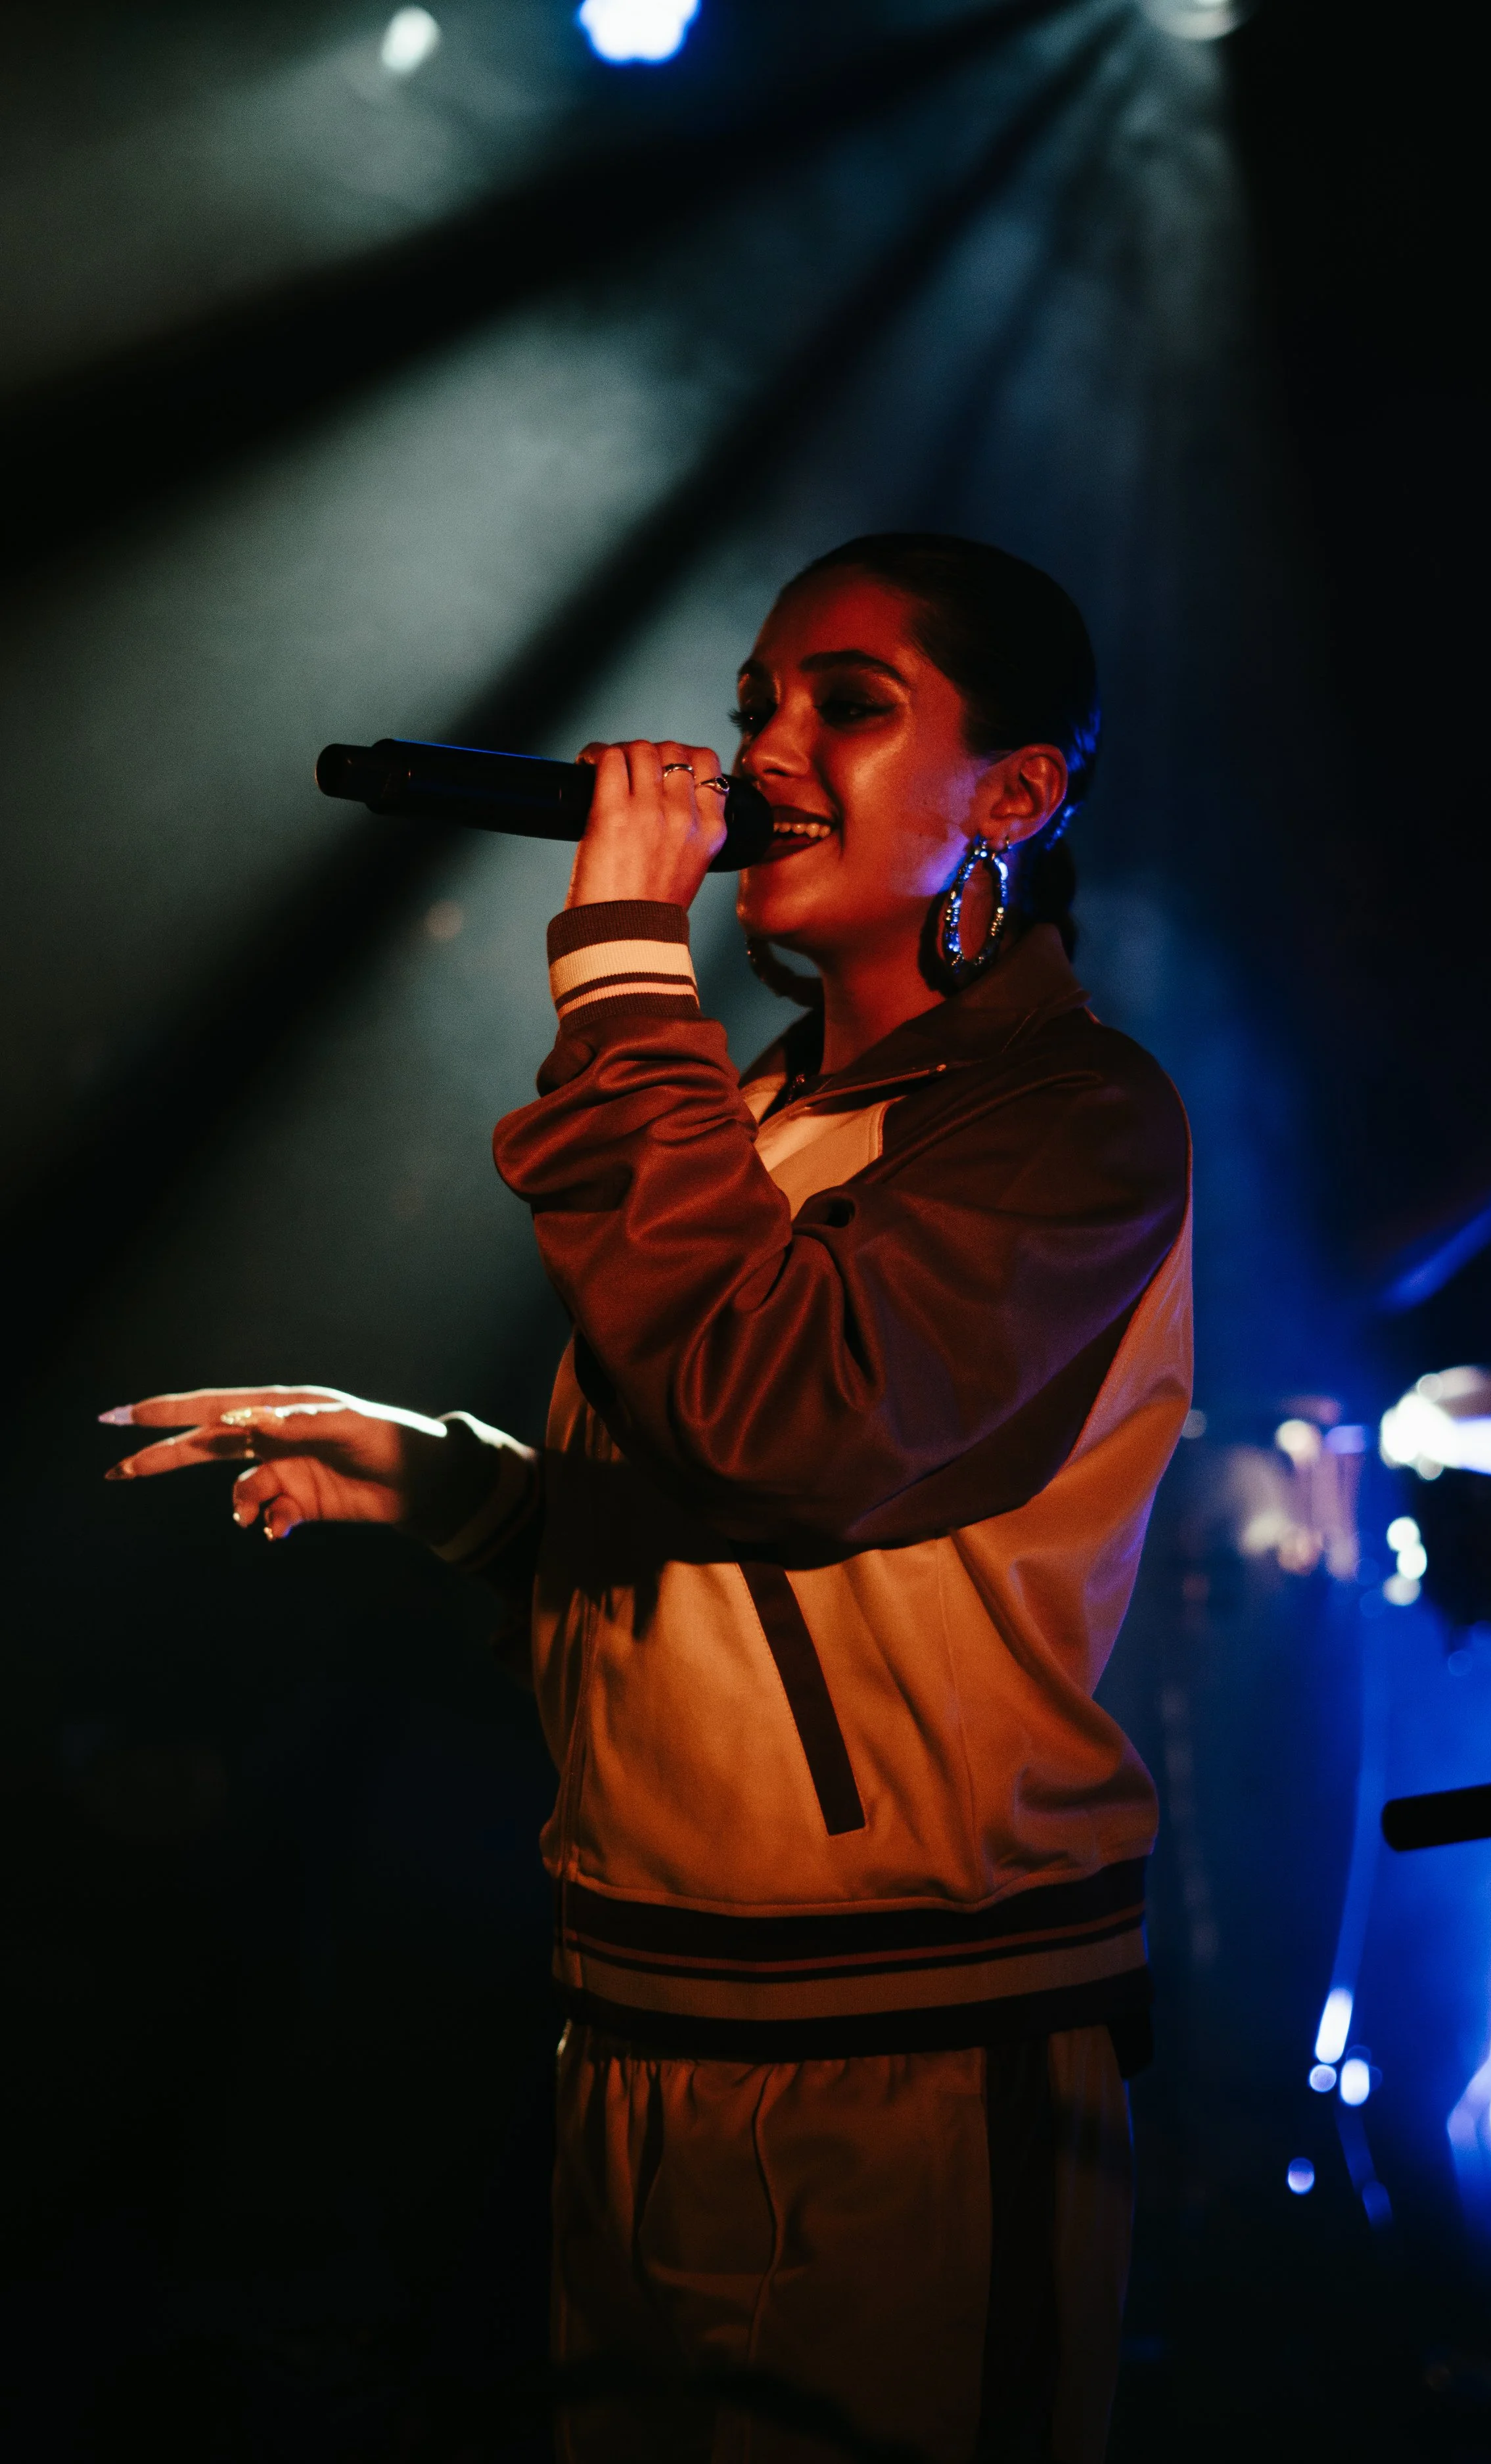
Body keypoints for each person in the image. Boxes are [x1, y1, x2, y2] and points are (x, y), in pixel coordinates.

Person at [104, 536, 1191, 2464]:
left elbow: (789, 1421)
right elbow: (753, 1569)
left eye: (847, 706)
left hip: (905, 2061)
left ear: (1015, 795)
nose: (764, 750)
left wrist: (616, 966)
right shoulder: (755, 1107)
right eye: (752, 705)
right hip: (639, 2025)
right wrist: (465, 1488)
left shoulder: (1072, 1119)